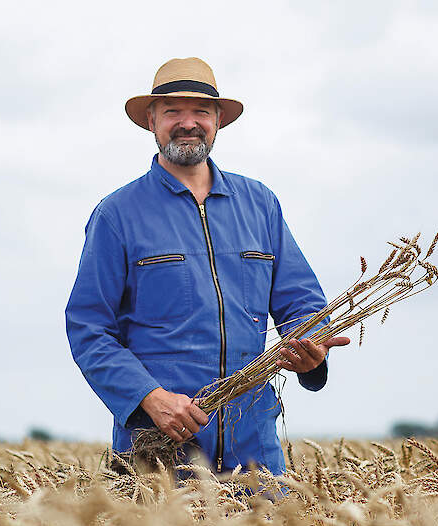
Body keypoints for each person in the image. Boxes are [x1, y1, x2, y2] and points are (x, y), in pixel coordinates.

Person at [65, 57, 349, 474]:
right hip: (158, 450)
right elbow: (89, 330)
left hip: (254, 452)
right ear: (151, 121)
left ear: (218, 120)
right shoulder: (117, 215)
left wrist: (312, 346)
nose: (187, 123)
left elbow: (300, 302)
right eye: (172, 112)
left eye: (200, 111)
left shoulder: (260, 204)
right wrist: (149, 396)